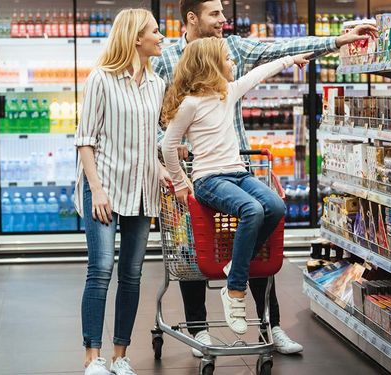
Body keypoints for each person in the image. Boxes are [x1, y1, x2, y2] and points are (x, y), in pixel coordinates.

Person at [152, 0, 377, 356]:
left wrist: (337, 41)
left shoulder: (234, 49)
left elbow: (280, 50)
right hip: (199, 175)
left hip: (240, 164)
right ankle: (200, 330)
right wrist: (172, 167)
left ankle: (269, 326)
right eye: (215, 14)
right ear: (192, 18)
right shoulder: (164, 58)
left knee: (258, 237)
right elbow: (155, 118)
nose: (223, 21)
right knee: (193, 252)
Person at [161, 37, 310, 336]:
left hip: (238, 174)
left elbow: (259, 74)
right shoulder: (189, 104)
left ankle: (234, 265)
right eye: (228, 59)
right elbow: (168, 145)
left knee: (276, 207)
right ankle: (235, 289)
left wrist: (290, 60)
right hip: (209, 179)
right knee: (252, 210)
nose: (233, 64)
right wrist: (180, 181)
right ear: (211, 65)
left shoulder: (227, 93)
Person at [74, 8, 170, 375]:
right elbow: (85, 141)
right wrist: (96, 189)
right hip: (105, 187)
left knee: (131, 273)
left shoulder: (157, 84)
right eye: (156, 32)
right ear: (135, 38)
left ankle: (120, 356)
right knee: (100, 268)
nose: (161, 37)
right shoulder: (101, 78)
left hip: (142, 190)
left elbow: (150, 142)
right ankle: (92, 357)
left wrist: (160, 169)